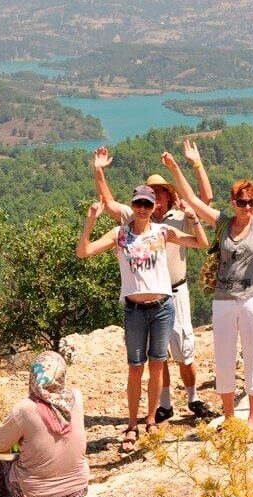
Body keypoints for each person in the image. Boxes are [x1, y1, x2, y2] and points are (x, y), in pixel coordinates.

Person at [160, 150, 253, 432]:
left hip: (252, 299)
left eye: (251, 202)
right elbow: (191, 198)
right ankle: (229, 417)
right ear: (233, 202)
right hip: (223, 300)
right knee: (224, 356)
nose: (247, 207)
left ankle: (252, 417)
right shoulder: (223, 223)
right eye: (242, 202)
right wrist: (176, 168)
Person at [76, 185, 208, 452]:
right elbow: (84, 252)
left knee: (157, 365)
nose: (143, 209)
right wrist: (91, 220)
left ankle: (151, 419)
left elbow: (201, 243)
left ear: (153, 208)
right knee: (136, 368)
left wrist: (192, 217)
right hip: (134, 310)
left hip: (162, 308)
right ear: (133, 204)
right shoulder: (119, 234)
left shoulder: (163, 232)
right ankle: (132, 424)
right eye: (138, 203)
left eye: (148, 205)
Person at [92, 141, 214, 422]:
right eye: (152, 194)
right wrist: (99, 172)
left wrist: (194, 164)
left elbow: (205, 197)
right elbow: (109, 204)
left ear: (168, 196)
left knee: (183, 350)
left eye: (161, 192)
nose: (155, 198)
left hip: (176, 291)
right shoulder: (136, 216)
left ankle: (193, 398)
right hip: (150, 298)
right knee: (160, 355)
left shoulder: (180, 218)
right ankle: (165, 404)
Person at [0, 351, 89, 497]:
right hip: (78, 489)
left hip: (38, 494)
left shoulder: (25, 409)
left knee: (2, 462)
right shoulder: (76, 397)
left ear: (33, 376)